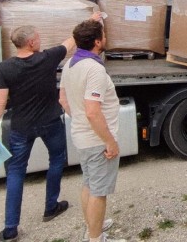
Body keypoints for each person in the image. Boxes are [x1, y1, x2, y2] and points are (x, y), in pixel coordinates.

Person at [0, 13, 100, 242]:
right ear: (31, 42)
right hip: (50, 122)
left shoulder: (5, 67)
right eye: (38, 38)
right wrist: (92, 20)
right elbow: (73, 40)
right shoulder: (47, 58)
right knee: (57, 161)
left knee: (15, 172)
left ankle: (10, 229)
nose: (40, 41)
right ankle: (51, 206)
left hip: (21, 127)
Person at [59, 19, 125, 242]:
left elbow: (63, 100)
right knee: (99, 191)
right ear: (97, 42)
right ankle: (96, 238)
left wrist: (79, 119)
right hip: (97, 140)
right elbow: (92, 111)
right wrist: (110, 141)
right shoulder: (94, 69)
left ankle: (92, 225)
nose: (106, 38)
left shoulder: (70, 64)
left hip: (82, 136)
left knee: (89, 184)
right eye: (103, 35)